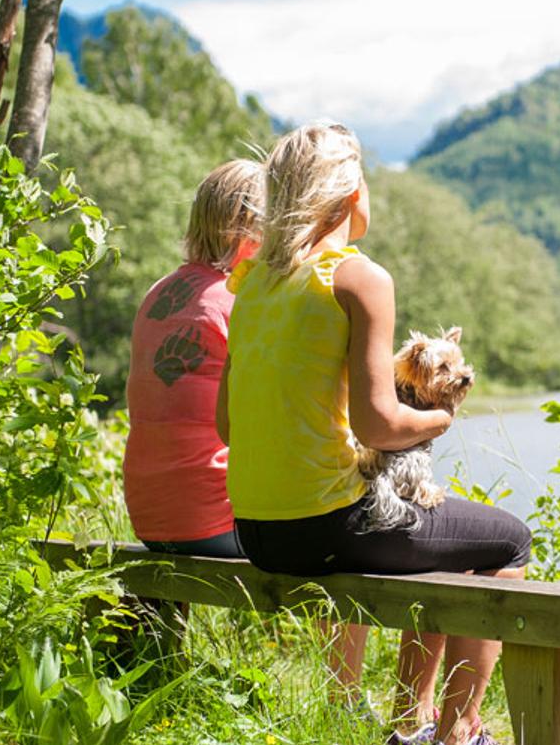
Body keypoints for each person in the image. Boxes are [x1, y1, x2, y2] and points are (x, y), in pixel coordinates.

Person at [217, 123, 530, 745]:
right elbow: (379, 425)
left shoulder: (251, 285)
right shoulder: (359, 277)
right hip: (329, 525)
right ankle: (457, 730)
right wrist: (439, 419)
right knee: (508, 542)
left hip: (255, 531)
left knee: (446, 546)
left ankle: (410, 724)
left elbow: (227, 422)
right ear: (349, 193)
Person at [122, 159, 262, 557]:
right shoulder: (238, 301)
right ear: (250, 229)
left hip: (149, 515)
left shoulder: (158, 291)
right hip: (213, 520)